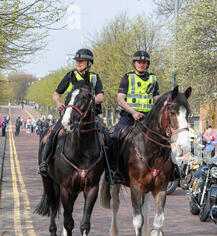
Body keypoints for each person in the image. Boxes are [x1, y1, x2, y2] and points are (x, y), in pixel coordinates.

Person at [38, 48, 106, 177]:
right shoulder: (70, 76)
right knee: (53, 133)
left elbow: (101, 97)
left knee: (107, 135)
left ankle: (110, 168)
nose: (78, 63)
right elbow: (56, 94)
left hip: (90, 117)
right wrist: (58, 103)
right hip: (70, 115)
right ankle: (44, 163)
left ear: (89, 63)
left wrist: (87, 102)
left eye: (82, 61)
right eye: (77, 61)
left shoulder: (95, 77)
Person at [109, 50, 160, 184]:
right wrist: (133, 112)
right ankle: (113, 171)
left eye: (144, 62)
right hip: (130, 116)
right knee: (114, 136)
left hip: (148, 119)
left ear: (147, 64)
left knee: (165, 136)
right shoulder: (128, 77)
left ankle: (172, 169)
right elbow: (120, 99)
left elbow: (157, 100)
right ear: (134, 63)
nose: (141, 65)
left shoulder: (153, 78)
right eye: (139, 62)